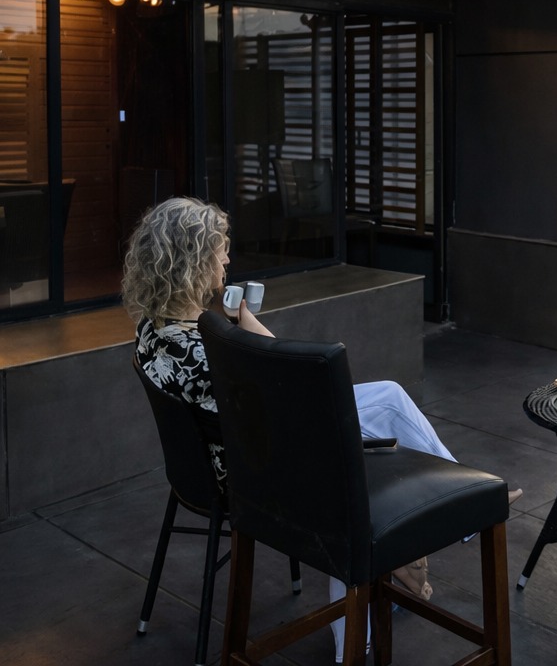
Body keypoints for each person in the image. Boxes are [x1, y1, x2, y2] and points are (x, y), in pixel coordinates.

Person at [123, 195, 518, 662]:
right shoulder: (208, 348)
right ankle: (364, 622)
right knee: (346, 477)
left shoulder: (157, 330)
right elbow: (292, 392)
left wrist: (239, 318)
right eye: (219, 249)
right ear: (192, 260)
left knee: (387, 395)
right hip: (251, 474)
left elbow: (276, 386)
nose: (227, 257)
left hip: (209, 463)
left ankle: (445, 516)